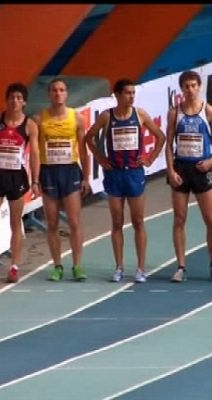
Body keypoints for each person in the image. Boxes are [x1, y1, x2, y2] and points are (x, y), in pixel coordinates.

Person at [85, 79, 166, 283]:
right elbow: (89, 138)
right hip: (115, 174)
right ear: (118, 95)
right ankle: (119, 267)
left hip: (135, 173)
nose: (132, 96)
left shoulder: (140, 114)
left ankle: (140, 268)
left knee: (138, 221)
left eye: (133, 93)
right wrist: (101, 159)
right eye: (128, 93)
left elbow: (161, 136)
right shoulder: (107, 116)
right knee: (117, 222)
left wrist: (150, 158)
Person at [165, 71, 212, 283]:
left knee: (210, 219)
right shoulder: (175, 112)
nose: (190, 90)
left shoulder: (208, 111)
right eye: (186, 86)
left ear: (199, 87)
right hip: (181, 168)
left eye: (193, 85)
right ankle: (181, 266)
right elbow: (169, 143)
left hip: (202, 168)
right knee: (179, 219)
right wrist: (170, 170)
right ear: (181, 89)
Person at [0, 83, 40, 283]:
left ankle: (14, 266)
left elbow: (35, 154)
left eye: (19, 98)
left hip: (16, 177)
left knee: (15, 223)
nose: (15, 101)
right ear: (7, 100)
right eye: (12, 97)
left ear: (24, 102)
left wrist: (36, 181)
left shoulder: (30, 125)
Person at [32, 78, 91, 283]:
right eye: (54, 90)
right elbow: (35, 153)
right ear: (49, 94)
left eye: (62, 90)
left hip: (70, 172)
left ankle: (77, 265)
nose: (58, 93)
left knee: (74, 221)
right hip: (49, 173)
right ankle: (57, 266)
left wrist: (86, 177)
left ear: (67, 94)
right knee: (52, 223)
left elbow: (84, 151)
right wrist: (35, 178)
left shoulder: (77, 118)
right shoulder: (39, 119)